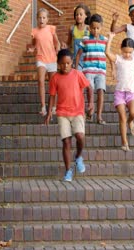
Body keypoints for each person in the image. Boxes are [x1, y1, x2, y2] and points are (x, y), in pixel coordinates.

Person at [45, 49, 94, 182]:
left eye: (67, 63)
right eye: (62, 63)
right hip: (62, 113)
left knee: (80, 136)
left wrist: (91, 103)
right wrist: (49, 111)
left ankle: (78, 156)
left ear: (72, 62)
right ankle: (68, 171)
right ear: (57, 63)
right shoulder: (55, 78)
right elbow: (52, 96)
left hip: (78, 112)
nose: (65, 66)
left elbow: (89, 88)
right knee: (66, 141)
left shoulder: (78, 74)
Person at [105, 32, 134, 151]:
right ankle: (124, 143)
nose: (127, 54)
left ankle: (131, 122)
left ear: (133, 51)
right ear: (121, 49)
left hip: (131, 93)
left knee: (133, 114)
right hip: (120, 93)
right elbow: (107, 53)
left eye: (130, 52)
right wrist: (110, 39)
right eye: (125, 51)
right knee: (122, 117)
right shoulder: (119, 59)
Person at [28, 8, 61, 116]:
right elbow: (33, 44)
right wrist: (31, 49)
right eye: (39, 18)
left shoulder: (51, 29)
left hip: (52, 59)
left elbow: (57, 43)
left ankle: (54, 107)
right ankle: (43, 107)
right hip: (40, 58)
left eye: (44, 17)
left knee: (53, 84)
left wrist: (57, 50)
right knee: (41, 81)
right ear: (37, 19)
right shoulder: (34, 31)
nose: (41, 20)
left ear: (47, 19)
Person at [76, 14, 107, 124]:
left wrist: (113, 68)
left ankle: (99, 116)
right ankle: (90, 108)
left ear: (101, 27)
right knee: (89, 88)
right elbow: (79, 54)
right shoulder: (85, 39)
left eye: (98, 28)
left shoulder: (105, 40)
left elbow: (108, 54)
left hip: (101, 70)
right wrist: (76, 69)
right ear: (89, 28)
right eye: (93, 28)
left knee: (100, 91)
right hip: (88, 69)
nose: (95, 30)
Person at [62, 3, 90, 70]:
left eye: (81, 14)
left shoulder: (89, 28)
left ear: (86, 15)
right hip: (75, 59)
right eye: (77, 14)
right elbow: (68, 43)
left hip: (87, 59)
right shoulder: (72, 28)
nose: (78, 16)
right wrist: (64, 46)